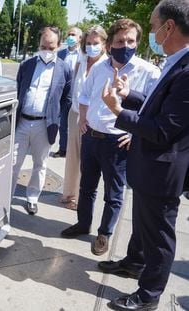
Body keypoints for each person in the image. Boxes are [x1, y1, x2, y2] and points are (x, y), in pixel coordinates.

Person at [99, 1, 189, 310]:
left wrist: (118, 111)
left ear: (169, 27)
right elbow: (156, 105)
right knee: (142, 224)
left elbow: (163, 129)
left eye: (152, 26)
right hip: (149, 167)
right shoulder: (176, 60)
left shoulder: (187, 70)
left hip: (162, 171)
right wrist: (129, 96)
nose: (150, 31)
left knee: (159, 237)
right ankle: (134, 262)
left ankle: (148, 296)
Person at [60, 19, 160, 257]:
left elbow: (154, 112)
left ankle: (104, 233)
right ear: (110, 44)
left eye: (130, 41)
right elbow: (84, 96)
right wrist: (83, 118)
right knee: (87, 187)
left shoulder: (149, 72)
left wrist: (136, 135)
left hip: (118, 143)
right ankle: (83, 224)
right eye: (120, 41)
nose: (125, 45)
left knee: (113, 194)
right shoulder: (98, 68)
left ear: (137, 42)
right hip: (92, 137)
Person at [11, 26, 72, 215]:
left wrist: (55, 117)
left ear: (59, 45)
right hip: (22, 122)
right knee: (13, 163)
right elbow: (18, 89)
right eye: (43, 46)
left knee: (40, 164)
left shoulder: (64, 69)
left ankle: (32, 198)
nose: (47, 50)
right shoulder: (27, 65)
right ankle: (6, 196)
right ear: (39, 44)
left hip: (45, 125)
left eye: (51, 47)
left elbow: (66, 98)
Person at [60, 25, 108, 210]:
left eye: (95, 43)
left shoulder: (106, 65)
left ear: (104, 43)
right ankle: (68, 193)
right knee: (72, 155)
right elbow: (75, 89)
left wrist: (87, 117)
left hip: (91, 119)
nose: (91, 46)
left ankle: (80, 198)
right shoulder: (81, 61)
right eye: (88, 43)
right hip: (75, 114)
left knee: (86, 160)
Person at [53, 27, 83, 158]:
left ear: (80, 38)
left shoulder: (83, 55)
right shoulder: (60, 54)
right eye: (69, 34)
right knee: (63, 123)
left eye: (73, 35)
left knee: (78, 124)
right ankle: (63, 149)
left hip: (79, 94)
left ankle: (77, 151)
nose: (70, 37)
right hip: (63, 93)